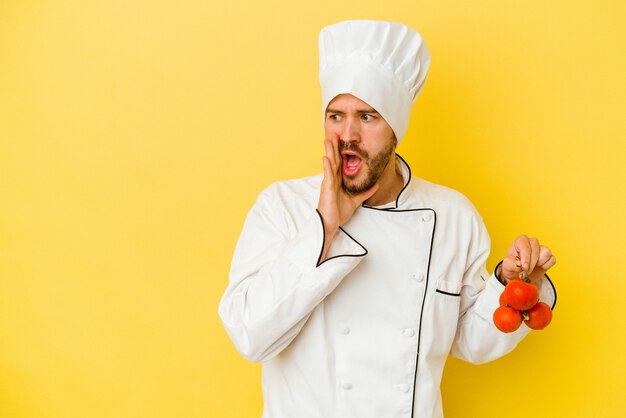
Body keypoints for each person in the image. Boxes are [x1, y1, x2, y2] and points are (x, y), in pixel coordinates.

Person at [218, 20, 557, 418]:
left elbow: (470, 340)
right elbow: (249, 336)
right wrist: (323, 230)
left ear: (395, 127)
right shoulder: (283, 207)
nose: (347, 135)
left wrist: (510, 286)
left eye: (366, 117)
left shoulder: (452, 216)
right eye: (335, 116)